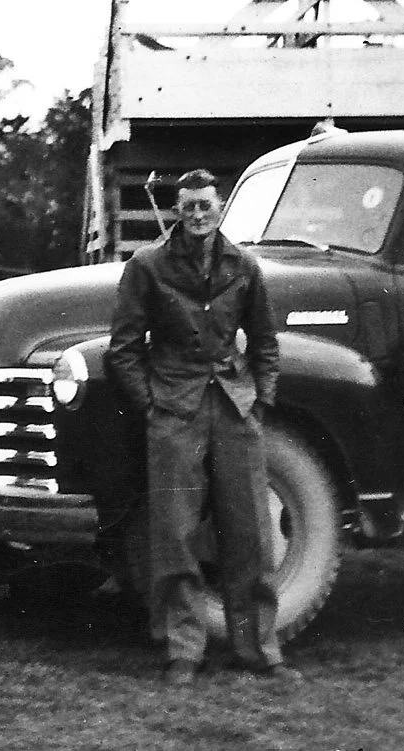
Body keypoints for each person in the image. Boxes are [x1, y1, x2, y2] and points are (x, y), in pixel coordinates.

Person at [106, 168, 300, 686]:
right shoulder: (147, 266)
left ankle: (259, 649)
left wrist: (261, 402)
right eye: (188, 206)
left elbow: (264, 343)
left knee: (251, 535)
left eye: (206, 206)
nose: (197, 215)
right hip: (174, 410)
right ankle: (183, 652)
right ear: (176, 210)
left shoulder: (245, 265)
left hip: (235, 408)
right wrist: (152, 405)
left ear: (219, 208)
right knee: (175, 534)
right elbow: (123, 350)